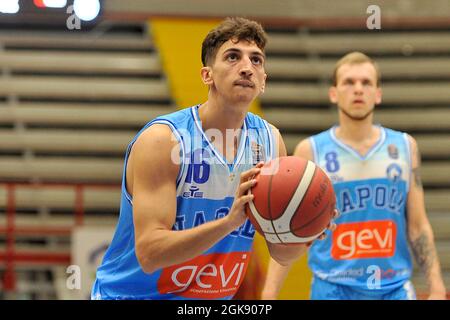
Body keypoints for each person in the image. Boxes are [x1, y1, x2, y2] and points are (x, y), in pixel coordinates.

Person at [91, 17, 318, 300]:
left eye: (256, 61)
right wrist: (229, 223)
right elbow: (150, 254)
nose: (247, 68)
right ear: (206, 75)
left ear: (263, 81)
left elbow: (280, 251)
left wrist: (307, 229)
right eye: (233, 57)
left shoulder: (270, 141)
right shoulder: (164, 140)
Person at [261, 52, 446, 300]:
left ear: (378, 94)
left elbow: (418, 225)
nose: (358, 89)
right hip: (333, 287)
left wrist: (435, 286)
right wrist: (269, 293)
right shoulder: (311, 149)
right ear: (333, 93)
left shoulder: (404, 146)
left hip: (393, 287)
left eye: (366, 82)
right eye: (349, 82)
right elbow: (291, 228)